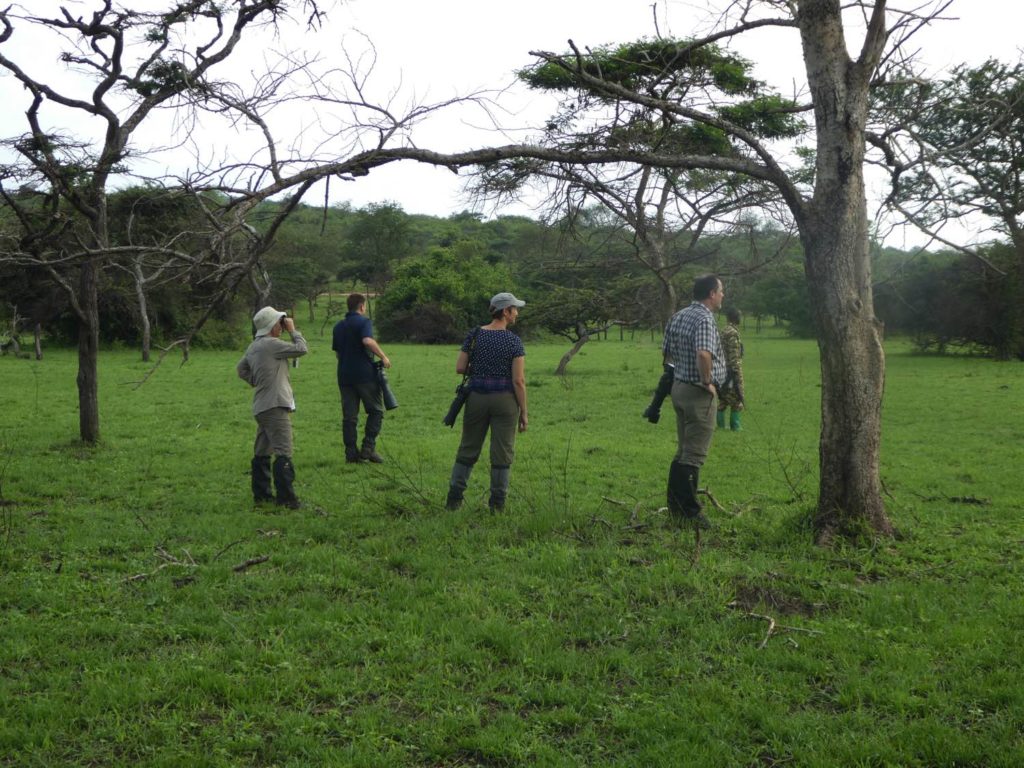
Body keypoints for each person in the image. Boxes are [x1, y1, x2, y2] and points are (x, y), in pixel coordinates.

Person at [445, 292, 528, 512]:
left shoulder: (474, 335)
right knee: (502, 452)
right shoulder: (513, 341)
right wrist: (524, 413)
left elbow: (460, 368)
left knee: (468, 448)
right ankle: (497, 505)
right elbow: (518, 380)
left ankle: (454, 500)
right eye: (515, 309)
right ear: (506, 311)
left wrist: (482, 371)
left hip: (476, 398)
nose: (517, 313)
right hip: (505, 401)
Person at [662, 275, 726, 530]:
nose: (722, 296)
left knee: (683, 451)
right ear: (711, 293)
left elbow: (666, 354)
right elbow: (703, 353)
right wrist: (707, 380)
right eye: (721, 291)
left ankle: (676, 506)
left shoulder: (678, 315)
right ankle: (690, 512)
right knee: (694, 454)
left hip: (679, 387)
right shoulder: (704, 319)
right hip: (698, 393)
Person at [237, 306, 308, 509]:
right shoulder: (271, 344)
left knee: (262, 451)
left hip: (261, 405)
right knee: (283, 451)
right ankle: (287, 499)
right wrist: (294, 330)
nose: (282, 326)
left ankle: (262, 495)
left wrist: (257, 381)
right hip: (276, 404)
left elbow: (240, 369)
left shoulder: (254, 346)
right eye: (280, 322)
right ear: (271, 325)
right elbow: (302, 349)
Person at [332, 293, 391, 463]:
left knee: (349, 417)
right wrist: (383, 357)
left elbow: (337, 353)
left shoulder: (338, 326)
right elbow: (367, 341)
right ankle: (368, 448)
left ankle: (351, 454)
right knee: (376, 411)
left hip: (344, 376)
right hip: (365, 375)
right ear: (362, 306)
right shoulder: (364, 322)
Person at [717, 307, 745, 431]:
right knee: (736, 397)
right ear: (736, 318)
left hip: (721, 369)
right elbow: (733, 355)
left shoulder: (723, 330)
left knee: (723, 398)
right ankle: (735, 426)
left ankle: (721, 426)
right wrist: (737, 372)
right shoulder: (733, 332)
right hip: (731, 371)